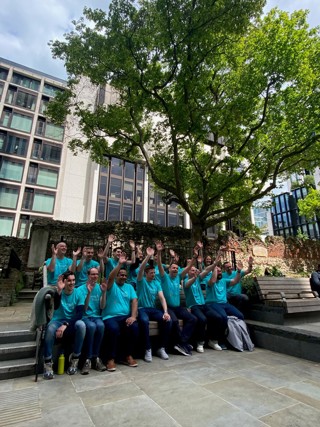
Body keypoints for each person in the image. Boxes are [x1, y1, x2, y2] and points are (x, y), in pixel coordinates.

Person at [42, 270, 86, 379]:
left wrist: (65, 325)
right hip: (57, 320)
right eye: (69, 281)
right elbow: (56, 306)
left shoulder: (78, 293)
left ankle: (75, 359)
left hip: (71, 322)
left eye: (73, 280)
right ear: (64, 282)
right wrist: (59, 291)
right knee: (50, 329)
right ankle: (47, 363)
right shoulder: (58, 292)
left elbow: (80, 314)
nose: (72, 283)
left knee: (82, 325)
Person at [156, 240, 198, 356]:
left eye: (176, 268)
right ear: (169, 269)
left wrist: (194, 256)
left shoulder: (179, 276)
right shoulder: (164, 277)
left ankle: (181, 342)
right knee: (173, 321)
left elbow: (189, 266)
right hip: (167, 307)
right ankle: (182, 343)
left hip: (178, 307)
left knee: (193, 319)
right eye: (173, 268)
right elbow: (159, 265)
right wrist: (159, 252)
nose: (175, 269)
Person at [101, 253, 139, 371]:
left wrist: (133, 316)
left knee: (133, 327)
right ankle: (110, 359)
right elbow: (111, 277)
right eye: (120, 275)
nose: (123, 277)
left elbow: (134, 301)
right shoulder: (111, 285)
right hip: (110, 317)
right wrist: (119, 264)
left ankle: (127, 355)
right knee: (114, 329)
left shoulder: (129, 287)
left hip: (125, 317)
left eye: (124, 275)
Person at [183, 250, 223, 353]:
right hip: (194, 306)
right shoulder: (185, 281)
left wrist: (215, 263)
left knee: (217, 317)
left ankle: (213, 341)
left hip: (203, 305)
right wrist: (194, 277)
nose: (194, 271)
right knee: (202, 319)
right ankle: (200, 343)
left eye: (195, 270)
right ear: (187, 272)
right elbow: (188, 285)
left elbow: (206, 271)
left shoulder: (198, 279)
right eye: (192, 270)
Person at [136, 247, 172, 362]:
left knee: (167, 320)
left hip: (153, 309)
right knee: (144, 321)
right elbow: (141, 268)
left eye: (154, 272)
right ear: (146, 273)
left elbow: (162, 298)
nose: (153, 274)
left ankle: (161, 348)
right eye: (151, 273)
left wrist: (165, 312)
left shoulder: (156, 283)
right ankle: (147, 349)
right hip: (142, 309)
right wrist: (148, 256)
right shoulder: (141, 281)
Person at [205, 262, 243, 350]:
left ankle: (236, 338)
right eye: (217, 271)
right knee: (222, 317)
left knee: (240, 316)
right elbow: (213, 281)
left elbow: (235, 281)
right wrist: (214, 269)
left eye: (220, 271)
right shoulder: (209, 280)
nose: (220, 272)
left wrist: (238, 271)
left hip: (224, 304)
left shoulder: (223, 281)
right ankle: (218, 340)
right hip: (213, 304)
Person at [78, 267, 106, 374]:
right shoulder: (81, 289)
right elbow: (84, 309)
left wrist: (103, 293)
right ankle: (88, 359)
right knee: (91, 327)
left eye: (96, 274)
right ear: (88, 275)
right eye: (92, 274)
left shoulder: (100, 287)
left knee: (101, 326)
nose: (95, 276)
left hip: (97, 316)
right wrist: (88, 293)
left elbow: (102, 306)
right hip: (85, 317)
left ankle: (96, 357)